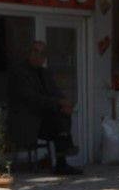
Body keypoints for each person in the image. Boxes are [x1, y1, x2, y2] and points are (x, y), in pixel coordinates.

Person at [7, 40, 82, 175]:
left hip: (42, 120)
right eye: (35, 51)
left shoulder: (45, 73)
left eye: (42, 53)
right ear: (28, 53)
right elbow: (31, 97)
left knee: (62, 115)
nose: (38, 56)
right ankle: (64, 152)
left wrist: (66, 102)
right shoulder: (20, 72)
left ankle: (63, 153)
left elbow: (55, 92)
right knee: (59, 118)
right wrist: (59, 103)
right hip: (26, 120)